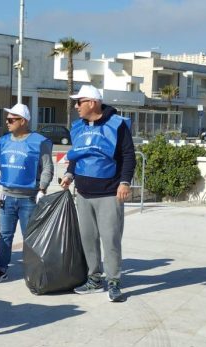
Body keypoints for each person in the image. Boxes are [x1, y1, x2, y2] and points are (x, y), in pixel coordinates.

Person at [60, 85, 135, 301]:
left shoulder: (117, 125)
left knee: (110, 239)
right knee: (88, 239)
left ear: (92, 103)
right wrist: (69, 174)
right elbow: (77, 155)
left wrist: (125, 182)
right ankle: (94, 279)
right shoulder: (78, 127)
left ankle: (114, 282)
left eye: (79, 102)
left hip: (109, 193)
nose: (76, 107)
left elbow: (128, 155)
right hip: (83, 194)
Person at [0, 104, 53, 283]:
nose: (7, 122)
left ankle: (34, 270)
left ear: (23, 121)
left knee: (30, 237)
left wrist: (42, 189)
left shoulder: (38, 142)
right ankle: (1, 269)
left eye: (11, 119)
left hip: (29, 199)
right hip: (7, 198)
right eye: (7, 119)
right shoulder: (4, 141)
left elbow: (47, 167)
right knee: (5, 236)